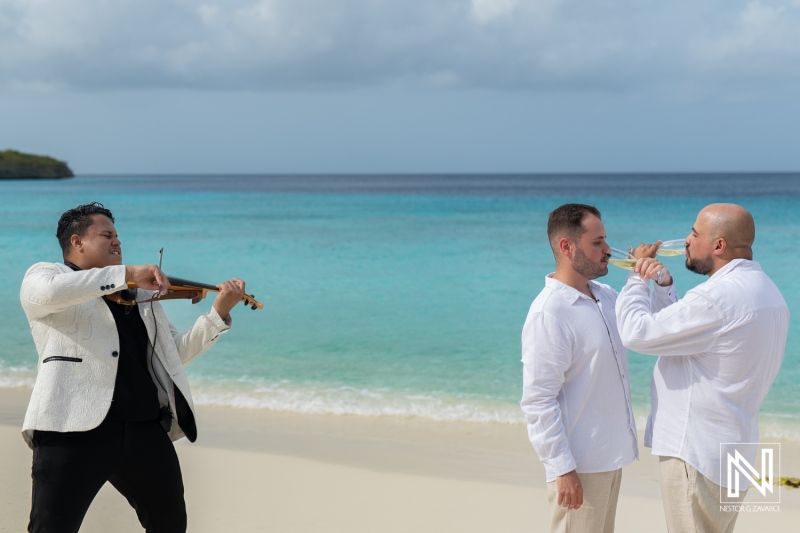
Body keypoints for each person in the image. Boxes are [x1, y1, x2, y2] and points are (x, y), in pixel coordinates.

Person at [19, 202, 247, 533]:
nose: (117, 242)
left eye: (118, 236)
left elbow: (173, 354)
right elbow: (46, 293)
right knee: (52, 527)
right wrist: (126, 273)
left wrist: (217, 315)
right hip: (71, 428)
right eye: (106, 235)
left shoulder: (140, 296)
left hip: (143, 428)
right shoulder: (46, 275)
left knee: (170, 524)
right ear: (77, 242)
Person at [615, 203, 789, 532]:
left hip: (697, 452)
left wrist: (637, 277)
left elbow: (636, 333)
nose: (686, 240)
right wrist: (664, 284)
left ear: (719, 245)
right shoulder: (769, 293)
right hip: (735, 451)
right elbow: (692, 337)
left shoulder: (716, 297)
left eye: (694, 234)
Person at [520, 203, 676, 533]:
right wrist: (562, 469)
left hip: (608, 456)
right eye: (598, 243)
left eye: (605, 241)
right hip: (578, 465)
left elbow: (656, 326)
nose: (608, 250)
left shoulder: (604, 296)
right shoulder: (549, 313)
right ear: (567, 247)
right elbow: (538, 401)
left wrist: (660, 279)